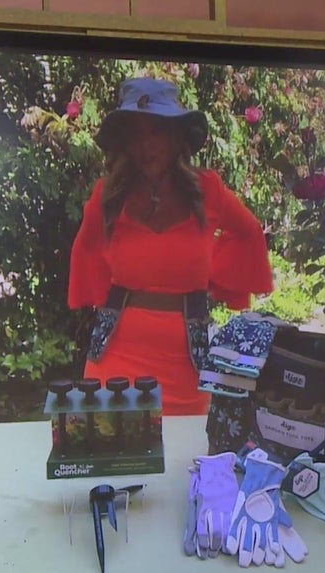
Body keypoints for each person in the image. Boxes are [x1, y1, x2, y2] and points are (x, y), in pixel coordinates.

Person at [68, 76, 275, 416]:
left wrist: (212, 275)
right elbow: (87, 252)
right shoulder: (107, 196)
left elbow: (248, 233)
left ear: (177, 136)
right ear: (123, 142)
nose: (146, 145)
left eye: (157, 131)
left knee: (186, 448)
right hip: (116, 362)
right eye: (135, 134)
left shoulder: (208, 190)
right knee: (113, 444)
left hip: (186, 366)